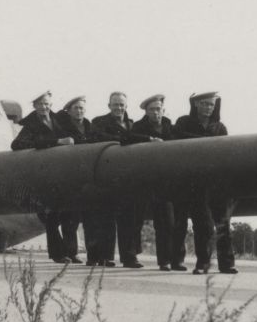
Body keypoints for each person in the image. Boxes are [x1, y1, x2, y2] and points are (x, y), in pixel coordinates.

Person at [171, 91, 238, 275]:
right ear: (196, 104)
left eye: (211, 104)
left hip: (218, 183)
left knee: (223, 224)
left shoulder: (220, 128)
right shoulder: (183, 123)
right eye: (205, 104)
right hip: (195, 184)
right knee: (203, 226)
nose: (209, 108)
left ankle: (227, 264)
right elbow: (176, 142)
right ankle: (203, 263)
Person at [90, 92, 154, 268]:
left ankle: (129, 257)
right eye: (115, 104)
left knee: (130, 220)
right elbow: (98, 138)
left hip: (129, 179)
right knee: (107, 219)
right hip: (108, 177)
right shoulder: (98, 122)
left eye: (122, 105)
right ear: (109, 105)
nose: (119, 108)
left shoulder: (132, 125)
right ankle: (105, 256)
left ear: (126, 106)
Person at [11, 91, 76, 263]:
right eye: (40, 104)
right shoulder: (30, 125)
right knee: (51, 217)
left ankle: (69, 252)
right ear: (34, 106)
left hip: (61, 173)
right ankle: (58, 254)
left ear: (51, 104)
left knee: (67, 215)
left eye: (46, 104)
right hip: (43, 175)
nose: (44, 107)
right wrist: (55, 143)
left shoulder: (58, 120)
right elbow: (17, 145)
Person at [131, 94, 183, 271]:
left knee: (175, 223)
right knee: (162, 223)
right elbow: (127, 139)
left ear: (163, 110)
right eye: (152, 109)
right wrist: (148, 141)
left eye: (158, 109)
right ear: (146, 111)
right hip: (152, 181)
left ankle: (177, 260)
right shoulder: (138, 127)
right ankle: (164, 261)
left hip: (172, 181)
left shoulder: (170, 125)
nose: (156, 112)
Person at [52, 95, 96, 265]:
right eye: (76, 108)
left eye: (82, 108)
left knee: (79, 218)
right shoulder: (62, 126)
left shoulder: (88, 125)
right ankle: (68, 252)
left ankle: (77, 253)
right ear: (68, 111)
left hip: (85, 175)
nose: (79, 111)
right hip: (69, 174)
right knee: (68, 217)